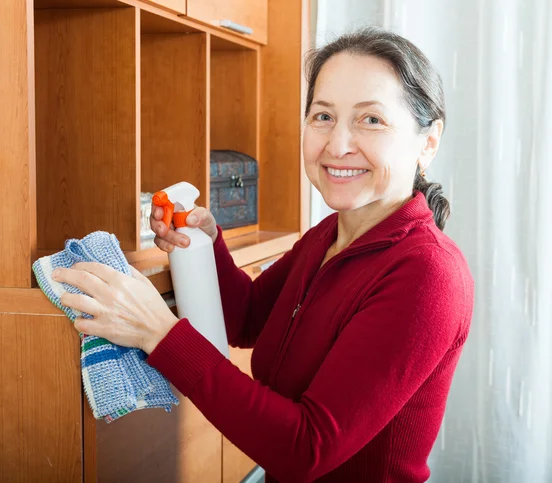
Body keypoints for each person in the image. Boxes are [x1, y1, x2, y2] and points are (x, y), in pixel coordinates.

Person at [52, 26, 474, 482]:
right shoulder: (330, 235)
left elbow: (305, 450)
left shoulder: (429, 274)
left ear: (427, 142)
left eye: (371, 120)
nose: (337, 145)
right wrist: (207, 241)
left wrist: (159, 334)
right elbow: (249, 318)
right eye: (323, 116)